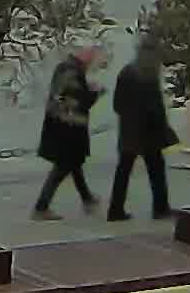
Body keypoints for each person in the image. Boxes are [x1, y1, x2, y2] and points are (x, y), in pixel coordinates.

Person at [107, 45, 174, 220]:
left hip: (129, 131)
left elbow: (117, 104)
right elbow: (156, 109)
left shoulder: (126, 72)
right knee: (156, 170)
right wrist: (163, 129)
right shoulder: (148, 76)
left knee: (123, 171)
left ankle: (115, 209)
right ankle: (160, 208)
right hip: (148, 133)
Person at [34, 45, 100, 217]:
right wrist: (94, 93)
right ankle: (41, 207)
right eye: (90, 57)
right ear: (83, 56)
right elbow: (78, 101)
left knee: (75, 164)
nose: (92, 61)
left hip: (64, 126)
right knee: (63, 167)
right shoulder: (72, 72)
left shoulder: (68, 68)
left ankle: (87, 199)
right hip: (67, 128)